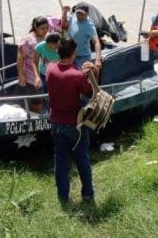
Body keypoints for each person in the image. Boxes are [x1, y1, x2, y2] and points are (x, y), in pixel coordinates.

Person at [46, 38, 96, 204]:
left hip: (56, 123)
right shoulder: (77, 75)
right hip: (74, 124)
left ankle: (63, 197)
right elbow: (90, 92)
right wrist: (91, 73)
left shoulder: (50, 69)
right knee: (82, 158)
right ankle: (87, 194)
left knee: (60, 160)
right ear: (73, 53)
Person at [15, 16, 49, 112]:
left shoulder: (47, 37)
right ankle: (36, 116)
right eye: (42, 29)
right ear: (35, 27)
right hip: (32, 76)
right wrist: (21, 75)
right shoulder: (29, 40)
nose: (45, 30)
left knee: (46, 97)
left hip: (46, 74)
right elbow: (20, 58)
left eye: (47, 28)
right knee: (37, 102)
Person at [60, 2, 102, 71]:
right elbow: (64, 26)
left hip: (83, 57)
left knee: (82, 77)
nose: (79, 16)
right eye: (78, 13)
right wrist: (64, 12)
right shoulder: (73, 16)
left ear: (87, 14)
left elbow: (96, 42)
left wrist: (98, 59)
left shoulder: (89, 25)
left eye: (82, 14)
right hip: (70, 54)